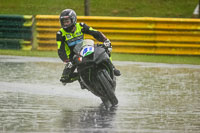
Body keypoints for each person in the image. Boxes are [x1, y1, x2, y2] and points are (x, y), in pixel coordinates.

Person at [56, 9, 121, 88]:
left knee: (104, 48)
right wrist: (66, 61)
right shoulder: (60, 33)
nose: (65, 24)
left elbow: (94, 32)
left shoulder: (81, 26)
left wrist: (105, 40)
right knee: (64, 79)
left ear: (73, 19)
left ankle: (112, 68)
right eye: (63, 22)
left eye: (67, 21)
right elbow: (60, 49)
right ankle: (80, 77)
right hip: (72, 56)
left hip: (84, 49)